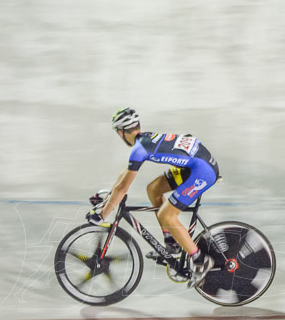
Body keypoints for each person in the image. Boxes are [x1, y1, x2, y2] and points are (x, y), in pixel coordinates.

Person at [88, 108, 223, 288]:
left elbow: (123, 188)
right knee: (153, 189)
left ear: (122, 131)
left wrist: (102, 215)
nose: (119, 137)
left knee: (166, 215)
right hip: (196, 163)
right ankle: (172, 243)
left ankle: (200, 260)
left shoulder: (139, 148)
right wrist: (107, 200)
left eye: (118, 133)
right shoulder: (145, 139)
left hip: (202, 171)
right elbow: (124, 176)